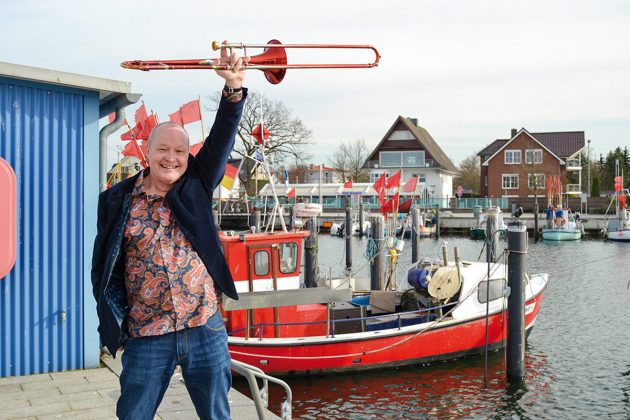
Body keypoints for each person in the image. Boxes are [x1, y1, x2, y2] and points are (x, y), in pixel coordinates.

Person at [91, 44, 249, 420]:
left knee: (217, 415)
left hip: (203, 327)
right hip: (147, 335)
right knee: (133, 415)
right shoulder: (116, 200)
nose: (172, 158)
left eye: (180, 151)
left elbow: (222, 138)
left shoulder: (196, 185)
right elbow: (103, 268)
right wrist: (117, 319)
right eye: (163, 149)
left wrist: (233, 89)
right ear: (147, 152)